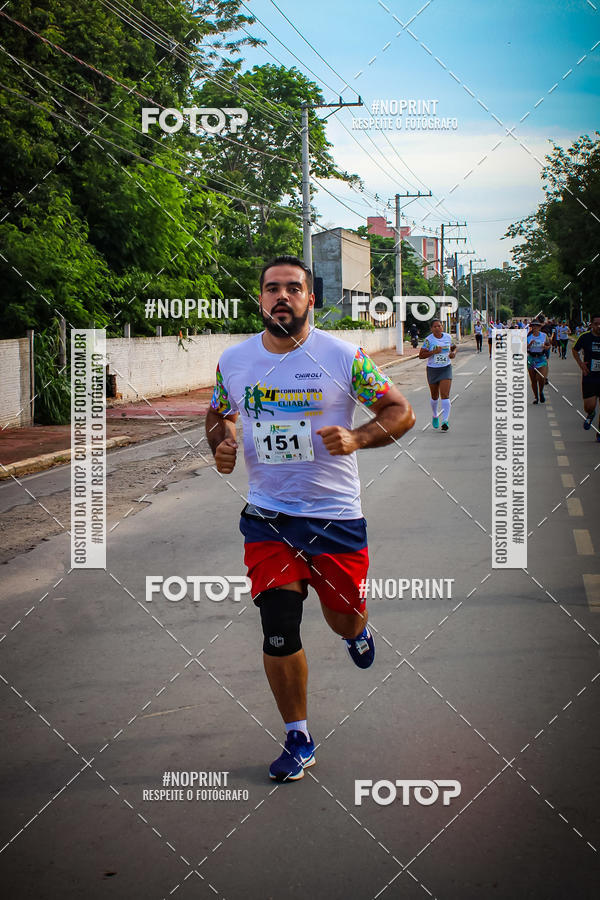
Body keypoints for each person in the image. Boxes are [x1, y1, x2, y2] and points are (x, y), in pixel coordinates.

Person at [205, 255, 415, 782]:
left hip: (335, 518)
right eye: (272, 288)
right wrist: (221, 443)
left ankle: (356, 632)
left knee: (342, 616)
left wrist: (359, 437)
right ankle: (298, 736)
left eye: (292, 288)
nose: (282, 297)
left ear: (310, 298)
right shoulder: (235, 361)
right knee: (278, 626)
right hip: (269, 518)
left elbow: (400, 410)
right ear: (260, 298)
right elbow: (217, 413)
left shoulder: (343, 358)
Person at [419, 318, 457, 431]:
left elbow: (454, 348)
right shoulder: (428, 340)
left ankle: (445, 421)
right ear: (431, 329)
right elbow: (421, 355)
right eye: (434, 326)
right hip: (432, 369)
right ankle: (435, 415)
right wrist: (433, 352)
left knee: (445, 395)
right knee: (434, 396)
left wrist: (453, 353)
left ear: (442, 327)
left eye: (439, 326)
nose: (437, 328)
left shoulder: (448, 337)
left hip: (445, 368)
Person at [572, 314, 600, 440]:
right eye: (596, 324)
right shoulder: (585, 337)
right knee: (589, 406)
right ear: (591, 325)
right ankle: (591, 414)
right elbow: (574, 350)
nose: (599, 326)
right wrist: (581, 364)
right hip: (590, 376)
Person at [527, 320, 550, 404]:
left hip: (541, 358)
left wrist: (546, 347)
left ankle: (541, 392)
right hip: (531, 359)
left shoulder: (544, 336)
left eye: (537, 326)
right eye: (533, 326)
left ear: (540, 327)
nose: (535, 327)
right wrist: (529, 345)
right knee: (533, 380)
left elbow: (548, 345)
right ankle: (536, 397)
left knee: (542, 378)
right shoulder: (528, 337)